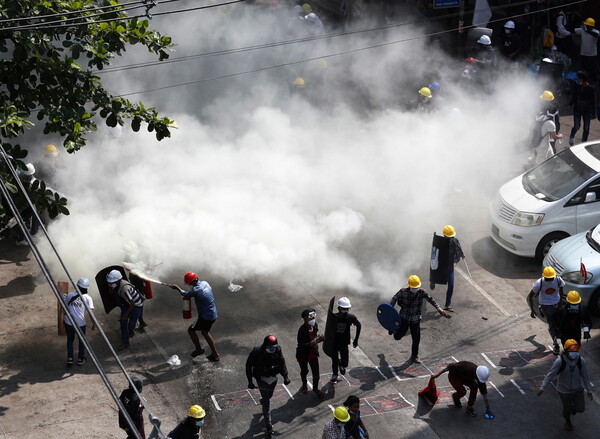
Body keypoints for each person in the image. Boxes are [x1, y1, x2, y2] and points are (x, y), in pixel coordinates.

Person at [390, 275, 449, 363]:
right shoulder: (402, 292)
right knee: (397, 337)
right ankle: (394, 330)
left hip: (415, 319)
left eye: (416, 287)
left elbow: (431, 300)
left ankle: (414, 356)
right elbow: (394, 299)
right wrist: (390, 310)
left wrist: (439, 309)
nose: (415, 289)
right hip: (404, 318)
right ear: (409, 286)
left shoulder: (422, 292)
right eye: (414, 287)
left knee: (416, 338)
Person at [538, 339, 593, 431]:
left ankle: (573, 410)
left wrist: (589, 390)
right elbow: (550, 375)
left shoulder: (580, 361)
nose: (574, 353)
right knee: (566, 410)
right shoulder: (560, 362)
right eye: (572, 351)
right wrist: (543, 387)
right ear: (566, 351)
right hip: (564, 391)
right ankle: (568, 422)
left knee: (581, 408)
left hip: (577, 389)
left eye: (575, 351)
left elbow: (585, 376)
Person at [246, 335, 290, 438]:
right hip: (261, 379)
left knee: (268, 396)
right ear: (265, 346)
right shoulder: (256, 352)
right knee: (267, 403)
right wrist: (250, 381)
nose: (272, 350)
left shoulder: (277, 350)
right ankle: (269, 426)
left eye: (274, 348)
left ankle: (263, 401)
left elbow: (282, 362)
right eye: (270, 348)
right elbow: (248, 365)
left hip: (273, 379)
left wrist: (285, 376)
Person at [169, 272, 219, 361]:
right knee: (204, 332)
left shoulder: (196, 290)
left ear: (192, 283)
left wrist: (177, 288)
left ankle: (199, 350)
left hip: (205, 316)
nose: (188, 285)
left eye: (188, 284)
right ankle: (214, 354)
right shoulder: (205, 283)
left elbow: (185, 294)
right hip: (213, 313)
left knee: (191, 330)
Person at [527, 266, 565, 355]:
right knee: (552, 326)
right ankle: (556, 345)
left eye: (551, 278)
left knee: (561, 323)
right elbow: (530, 296)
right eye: (548, 279)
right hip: (546, 305)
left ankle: (559, 336)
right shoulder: (539, 283)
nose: (550, 280)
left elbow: (561, 291)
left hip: (557, 304)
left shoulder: (558, 280)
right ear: (544, 277)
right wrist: (532, 310)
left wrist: (560, 303)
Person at [107, 269, 145, 351]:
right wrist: (110, 286)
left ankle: (131, 330)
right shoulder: (117, 284)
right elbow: (110, 293)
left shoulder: (124, 288)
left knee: (131, 325)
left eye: (112, 282)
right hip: (126, 304)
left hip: (136, 305)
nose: (111, 283)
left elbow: (132, 303)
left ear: (118, 280)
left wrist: (125, 314)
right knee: (123, 324)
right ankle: (125, 342)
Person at [63, 277, 95, 366]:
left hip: (68, 322)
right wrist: (94, 324)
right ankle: (80, 359)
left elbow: (64, 307)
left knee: (70, 340)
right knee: (82, 341)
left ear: (77, 286)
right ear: (87, 288)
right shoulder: (88, 298)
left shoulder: (70, 295)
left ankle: (70, 358)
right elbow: (91, 313)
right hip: (80, 324)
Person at [330, 296, 361, 383]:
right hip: (334, 343)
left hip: (344, 343)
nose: (345, 311)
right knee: (334, 360)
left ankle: (341, 364)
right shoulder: (334, 317)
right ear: (339, 308)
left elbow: (359, 325)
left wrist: (356, 339)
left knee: (345, 363)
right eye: (343, 309)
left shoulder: (350, 317)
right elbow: (328, 329)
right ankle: (335, 374)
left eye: (347, 309)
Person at [296, 308, 325, 399]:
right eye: (310, 319)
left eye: (313, 318)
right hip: (303, 355)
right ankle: (304, 384)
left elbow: (315, 335)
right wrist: (315, 341)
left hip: (313, 353)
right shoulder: (302, 331)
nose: (312, 320)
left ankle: (315, 389)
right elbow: (302, 345)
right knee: (305, 371)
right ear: (305, 319)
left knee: (316, 374)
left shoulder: (315, 326)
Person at [528, 91, 562, 166]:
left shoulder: (549, 109)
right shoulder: (549, 108)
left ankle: (549, 162)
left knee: (548, 146)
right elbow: (556, 122)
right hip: (549, 130)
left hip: (549, 130)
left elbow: (554, 121)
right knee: (544, 145)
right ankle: (544, 161)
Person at [442, 225, 465, 312]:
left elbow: (458, 248)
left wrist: (462, 254)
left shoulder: (455, 241)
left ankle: (447, 305)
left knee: (451, 284)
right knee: (436, 276)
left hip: (450, 265)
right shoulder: (440, 243)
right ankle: (433, 281)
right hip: (441, 264)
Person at [569, 71, 596, 145]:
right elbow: (574, 97)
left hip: (586, 110)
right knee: (577, 126)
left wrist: (593, 113)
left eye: (578, 78)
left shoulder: (590, 89)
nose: (577, 79)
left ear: (582, 79)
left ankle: (583, 143)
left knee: (586, 128)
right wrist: (570, 104)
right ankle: (571, 137)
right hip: (577, 109)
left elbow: (593, 101)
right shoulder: (578, 87)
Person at [574, 18, 599, 83]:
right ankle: (584, 81)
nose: (588, 27)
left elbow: (596, 35)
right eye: (587, 26)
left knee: (592, 70)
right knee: (584, 69)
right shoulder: (582, 30)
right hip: (583, 54)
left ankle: (593, 81)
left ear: (593, 27)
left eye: (589, 26)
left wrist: (586, 30)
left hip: (592, 54)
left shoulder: (596, 32)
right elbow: (573, 30)